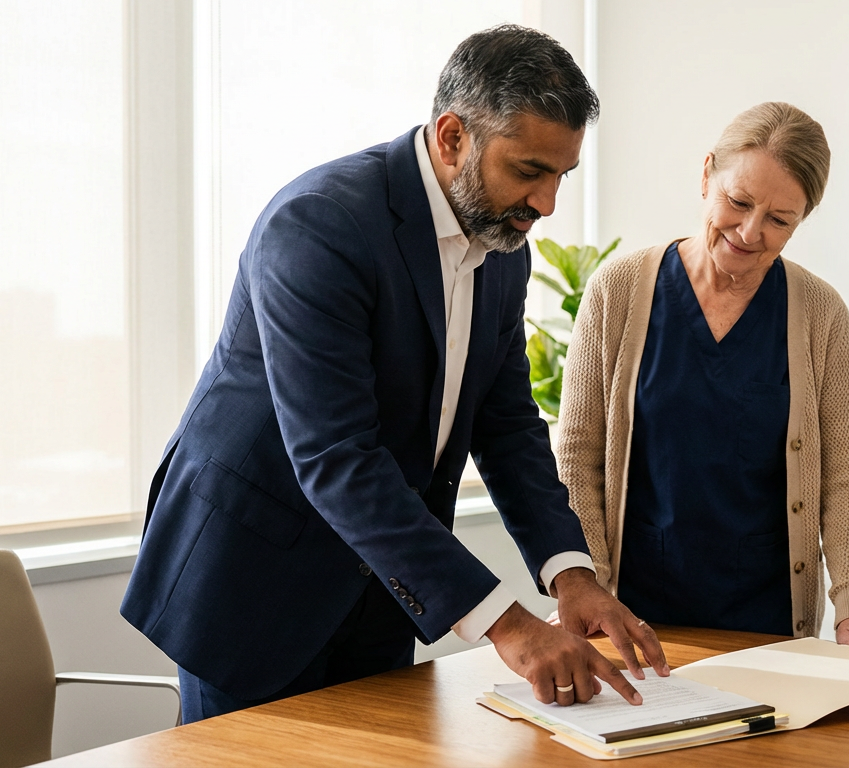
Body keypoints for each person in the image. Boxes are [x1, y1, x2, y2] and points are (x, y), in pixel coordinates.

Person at [121, 25, 666, 724]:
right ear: (451, 138)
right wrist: (511, 627)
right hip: (250, 579)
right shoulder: (319, 226)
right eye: (529, 170)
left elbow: (504, 427)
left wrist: (572, 574)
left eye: (561, 175)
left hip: (379, 583)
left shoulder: (504, 246)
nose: (547, 203)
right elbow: (336, 457)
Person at [556, 102, 849, 664]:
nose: (750, 232)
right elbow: (577, 454)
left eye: (780, 219)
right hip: (634, 622)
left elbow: (846, 472)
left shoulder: (821, 313)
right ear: (707, 173)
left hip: (769, 624)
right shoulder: (619, 290)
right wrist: (583, 584)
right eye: (738, 202)